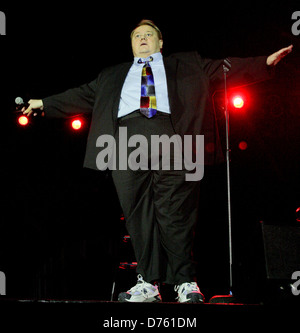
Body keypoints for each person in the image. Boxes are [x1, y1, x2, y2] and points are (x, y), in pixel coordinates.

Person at [23, 20, 292, 303]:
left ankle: (185, 281)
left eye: (148, 34)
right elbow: (79, 94)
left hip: (172, 136)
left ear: (160, 42)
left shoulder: (187, 63)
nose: (142, 38)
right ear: (131, 43)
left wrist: (264, 62)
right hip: (124, 142)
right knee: (138, 215)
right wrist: (43, 103)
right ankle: (148, 282)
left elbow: (224, 67)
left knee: (176, 212)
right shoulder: (111, 75)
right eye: (137, 35)